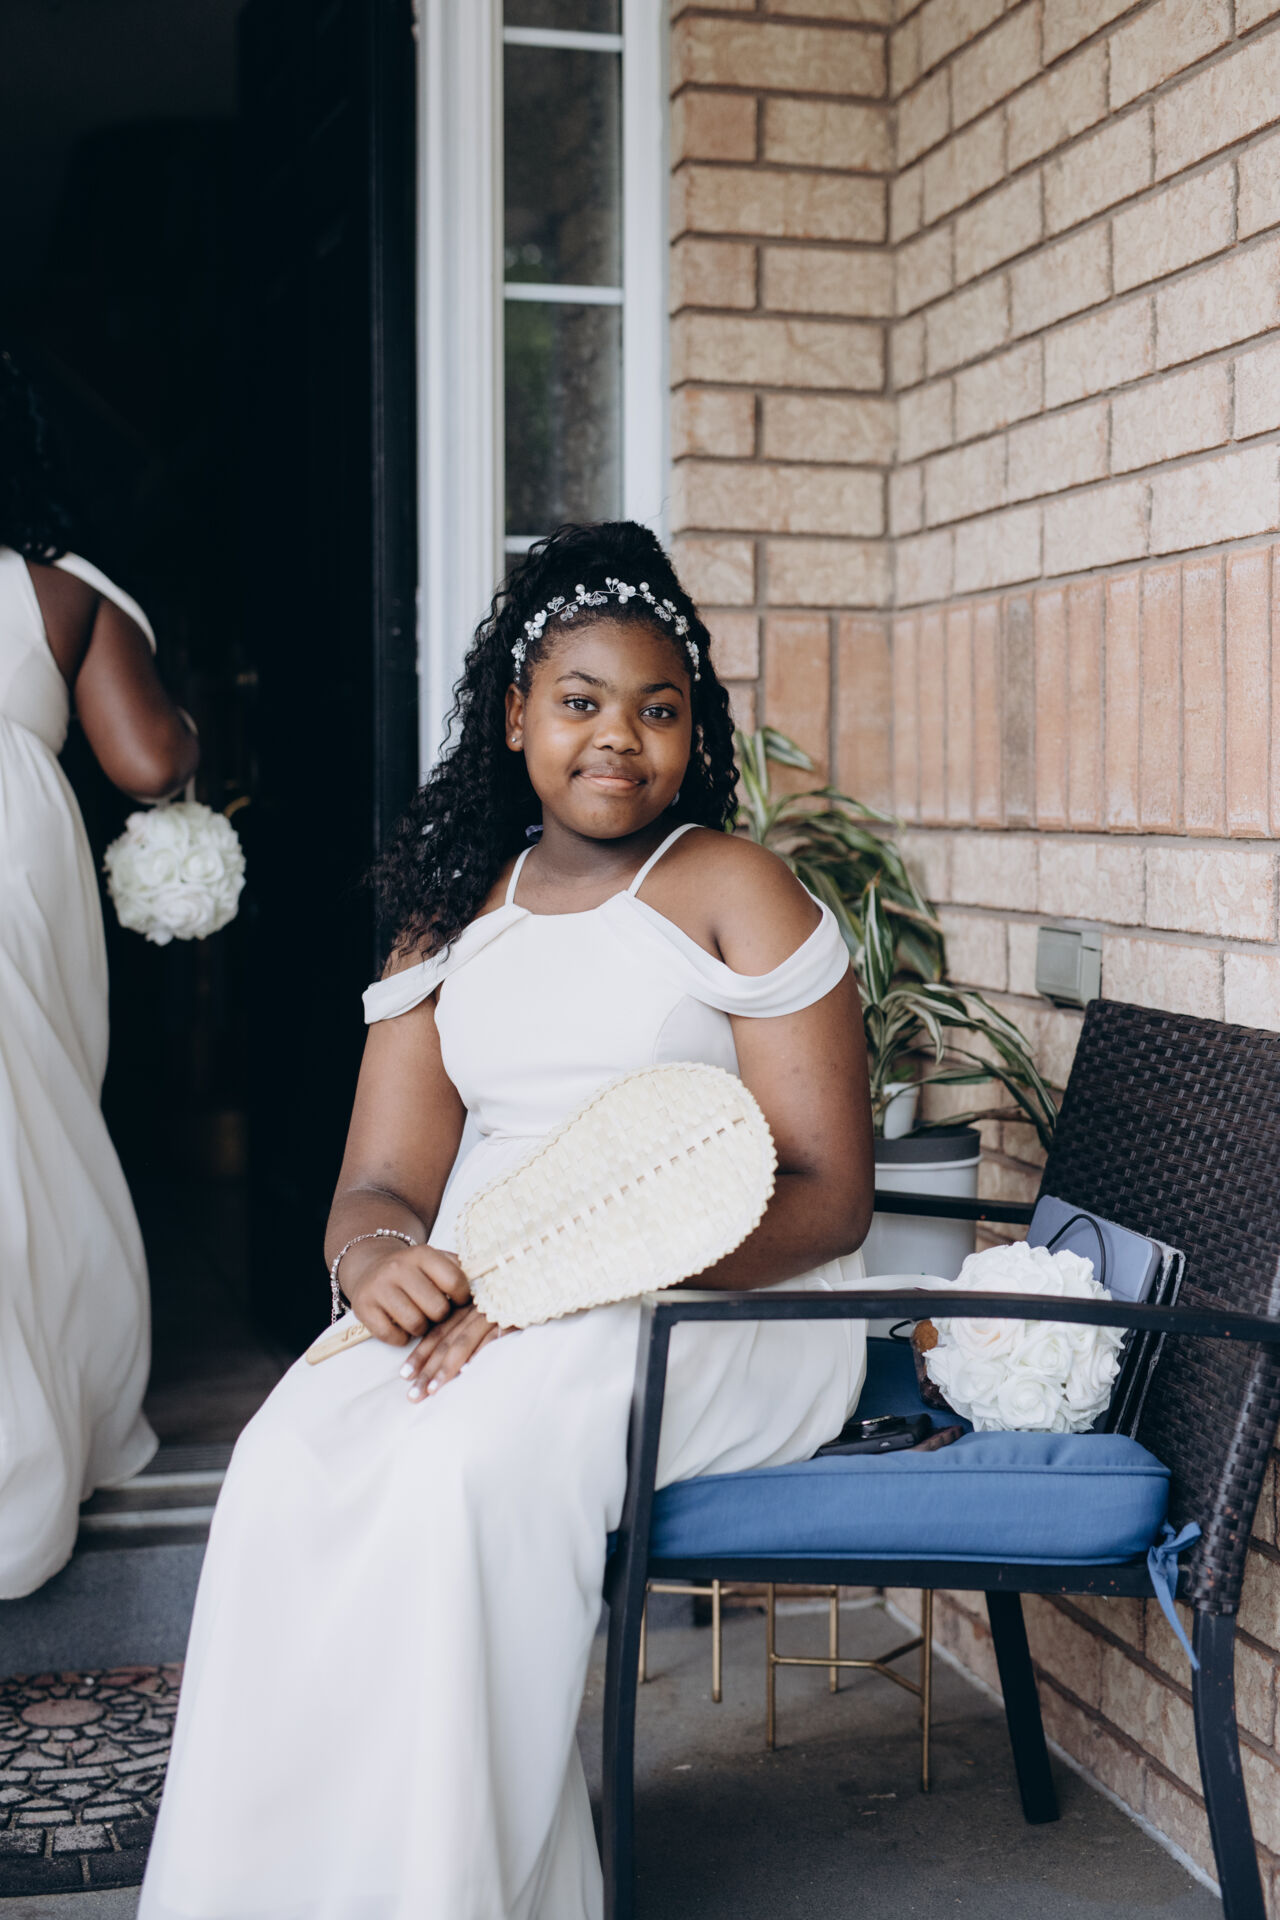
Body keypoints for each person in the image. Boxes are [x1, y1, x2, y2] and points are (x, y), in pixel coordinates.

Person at [140, 521, 874, 1920]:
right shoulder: (449, 917)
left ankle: (450, 1886)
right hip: (490, 1288)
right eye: (582, 702)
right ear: (516, 717)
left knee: (459, 1470)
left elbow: (830, 1196)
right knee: (286, 1461)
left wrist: (558, 1276)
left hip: (710, 1301)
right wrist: (373, 1258)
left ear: (694, 733)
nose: (620, 740)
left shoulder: (734, 890)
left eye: (659, 709)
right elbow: (380, 1181)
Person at [0, 348, 199, 1597]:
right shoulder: (61, 591)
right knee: (33, 1121)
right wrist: (195, 731)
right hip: (13, 855)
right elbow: (145, 761)